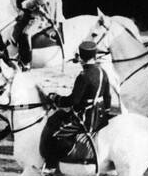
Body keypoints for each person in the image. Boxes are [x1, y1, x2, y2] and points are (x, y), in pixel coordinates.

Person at [41, 39, 114, 169]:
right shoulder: (103, 72)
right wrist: (106, 113)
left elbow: (73, 101)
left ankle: (51, 166)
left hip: (86, 118)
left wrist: (55, 98)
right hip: (100, 116)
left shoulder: (84, 76)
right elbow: (108, 96)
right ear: (95, 55)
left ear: (81, 58)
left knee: (55, 131)